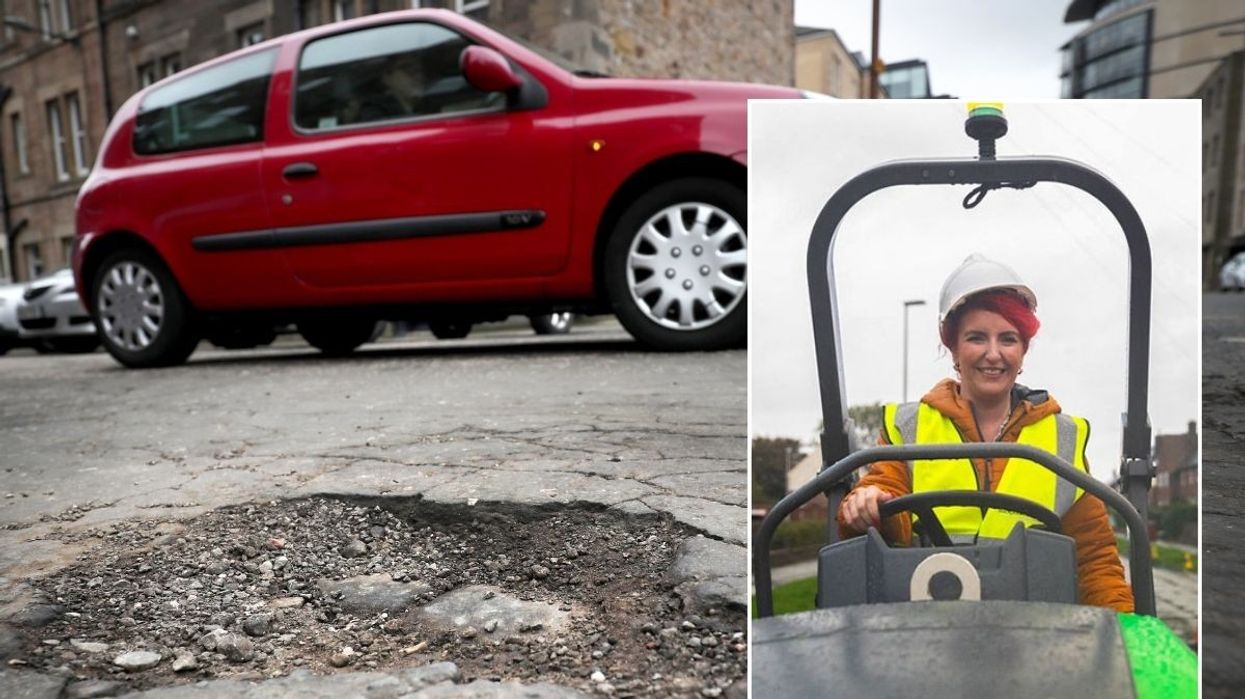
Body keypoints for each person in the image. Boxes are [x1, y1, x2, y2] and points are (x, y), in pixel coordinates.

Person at [838, 253, 1134, 612]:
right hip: (928, 624)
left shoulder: (1062, 437)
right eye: (977, 338)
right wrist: (867, 503)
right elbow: (886, 498)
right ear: (953, 347)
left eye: (1008, 339)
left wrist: (1126, 635)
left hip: (1035, 633)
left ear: (1023, 351)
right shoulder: (909, 428)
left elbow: (1094, 557)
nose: (993, 354)